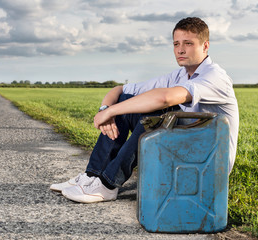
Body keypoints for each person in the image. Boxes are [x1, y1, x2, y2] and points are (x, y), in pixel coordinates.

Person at [50, 17, 239, 204]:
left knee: (160, 112)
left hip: (209, 161)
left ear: (205, 46)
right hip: (184, 147)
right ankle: (93, 176)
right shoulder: (179, 75)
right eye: (176, 44)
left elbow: (164, 98)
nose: (180, 49)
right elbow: (120, 90)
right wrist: (106, 109)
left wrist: (110, 112)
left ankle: (108, 184)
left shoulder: (215, 76)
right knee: (126, 102)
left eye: (188, 43)